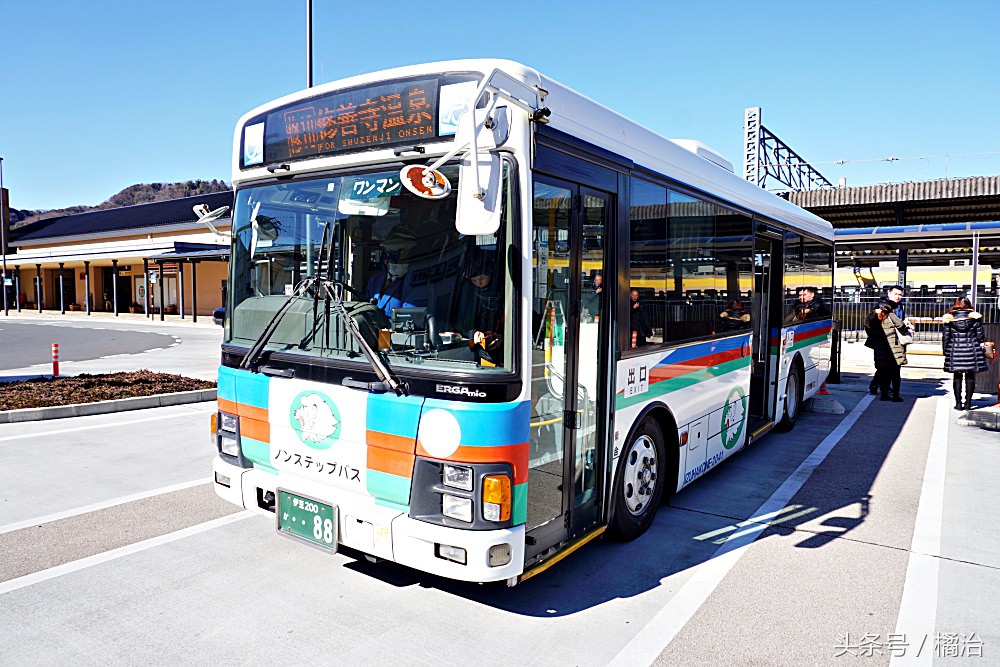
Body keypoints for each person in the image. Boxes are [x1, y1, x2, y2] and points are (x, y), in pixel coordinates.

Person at [941, 297, 988, 410]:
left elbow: (946, 337)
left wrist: (946, 351)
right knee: (970, 377)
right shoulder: (975, 318)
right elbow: (980, 337)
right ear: (969, 305)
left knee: (957, 377)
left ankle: (958, 403)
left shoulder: (950, 319)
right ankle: (968, 403)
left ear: (955, 305)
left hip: (955, 350)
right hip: (972, 350)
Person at [869, 285, 911, 394]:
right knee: (886, 365)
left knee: (890, 365)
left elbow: (899, 320)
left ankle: (882, 386)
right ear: (889, 294)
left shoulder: (900, 306)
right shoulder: (882, 305)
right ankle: (879, 386)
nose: (898, 297)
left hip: (896, 340)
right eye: (895, 294)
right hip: (885, 340)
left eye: (900, 295)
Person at [864, 301, 909, 402]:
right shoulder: (890, 316)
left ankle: (884, 395)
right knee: (896, 374)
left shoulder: (871, 317)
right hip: (893, 348)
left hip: (879, 348)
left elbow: (868, 331)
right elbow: (902, 326)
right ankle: (896, 396)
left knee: (884, 373)